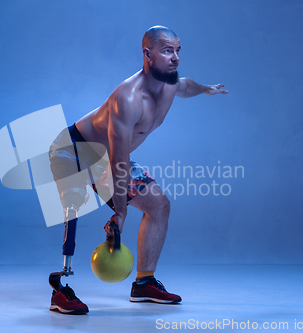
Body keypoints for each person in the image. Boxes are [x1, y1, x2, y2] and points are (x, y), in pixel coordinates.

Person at [48, 25, 228, 314]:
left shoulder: (170, 84)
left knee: (159, 205)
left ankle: (144, 284)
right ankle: (60, 288)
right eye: (167, 50)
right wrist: (120, 212)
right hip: (73, 150)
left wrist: (205, 89)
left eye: (178, 50)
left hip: (107, 157)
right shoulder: (128, 99)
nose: (175, 57)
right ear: (148, 54)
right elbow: (119, 162)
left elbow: (186, 85)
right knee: (73, 210)